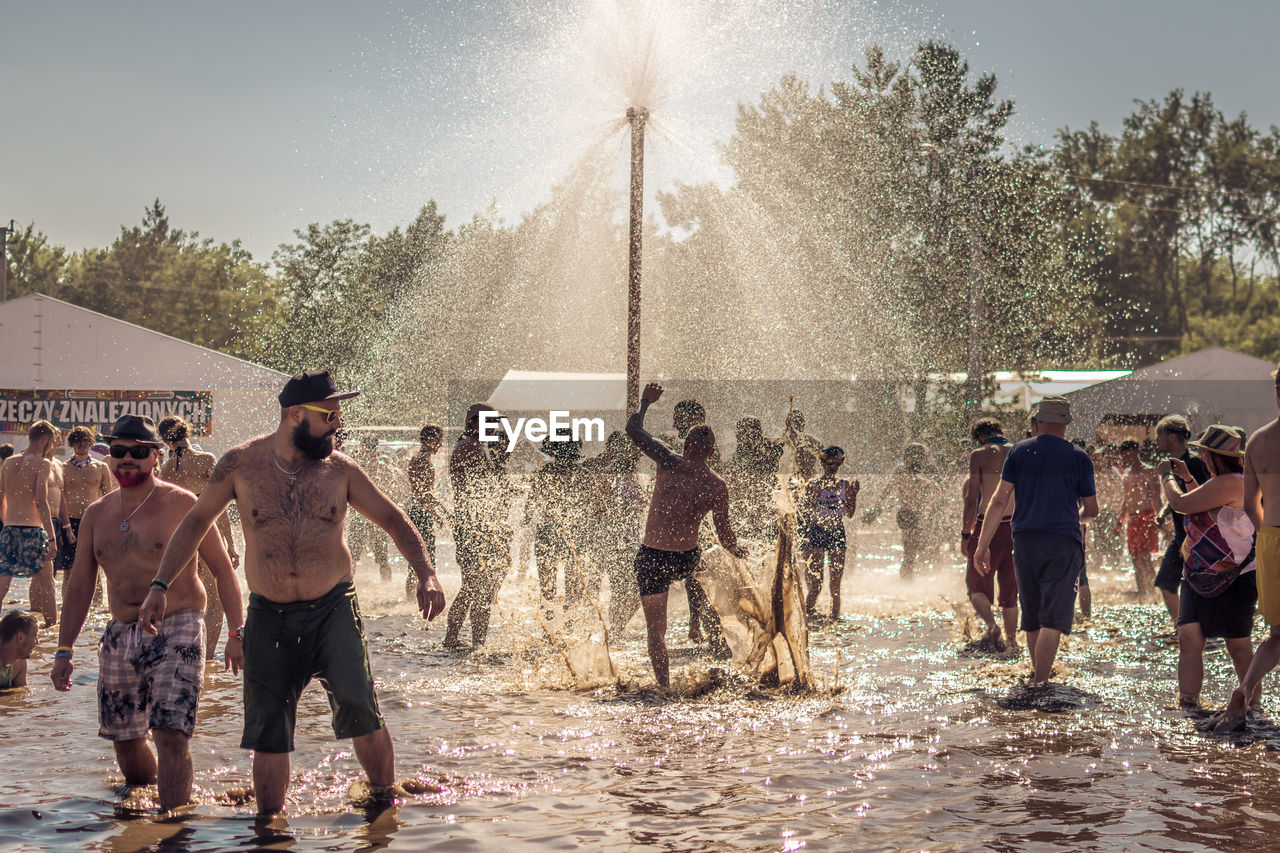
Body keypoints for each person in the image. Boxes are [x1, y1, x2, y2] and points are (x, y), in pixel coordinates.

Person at [144, 370, 446, 815]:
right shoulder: (239, 465)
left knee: (361, 706)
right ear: (296, 414)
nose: (337, 424)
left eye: (338, 415)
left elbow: (394, 519)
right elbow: (193, 524)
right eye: (330, 415)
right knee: (268, 729)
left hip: (333, 611)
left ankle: (383, 808)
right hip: (268, 615)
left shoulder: (340, 469)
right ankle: (269, 828)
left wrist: (426, 573)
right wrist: (160, 584)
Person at [51, 415, 246, 812]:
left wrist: (237, 632)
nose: (127, 460)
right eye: (119, 451)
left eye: (138, 453)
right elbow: (79, 587)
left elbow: (224, 570)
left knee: (170, 732)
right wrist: (63, 649)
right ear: (108, 456)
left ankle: (173, 829)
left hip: (178, 624)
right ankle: (153, 807)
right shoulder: (96, 515)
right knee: (124, 741)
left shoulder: (182, 504)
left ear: (155, 457)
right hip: (120, 631)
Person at [626, 383, 745, 688]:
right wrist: (740, 551)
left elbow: (634, 430)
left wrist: (645, 403)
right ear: (711, 450)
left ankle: (664, 686)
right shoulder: (717, 485)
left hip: (654, 555)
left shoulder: (669, 461)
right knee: (704, 596)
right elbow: (725, 535)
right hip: (688, 557)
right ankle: (718, 664)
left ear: (688, 445)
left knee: (657, 630)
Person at [974, 396, 1098, 684]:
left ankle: (1035, 673)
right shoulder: (1079, 457)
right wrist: (1072, 519)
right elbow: (1092, 511)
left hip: (1025, 543)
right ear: (1067, 423)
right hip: (1063, 544)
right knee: (1054, 617)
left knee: (1032, 616)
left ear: (1038, 421)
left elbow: (998, 501)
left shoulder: (1019, 452)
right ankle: (1041, 682)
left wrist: (982, 545)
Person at [1153, 425, 1256, 710]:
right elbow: (1204, 505)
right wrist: (1186, 478)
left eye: (1202, 451)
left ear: (1213, 455)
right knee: (1189, 639)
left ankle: (1252, 707)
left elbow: (1182, 505)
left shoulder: (1233, 481)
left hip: (1234, 576)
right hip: (1199, 574)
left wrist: (1167, 476)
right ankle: (1188, 704)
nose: (1198, 454)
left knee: (1237, 646)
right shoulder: (1220, 481)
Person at [1214, 368, 1280, 732]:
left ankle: (1244, 690)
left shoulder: (1257, 440)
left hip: (1271, 537)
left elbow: (1251, 503)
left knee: (1277, 635)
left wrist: (1267, 534)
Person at [157, 417, 241, 658]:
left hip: (180, 538)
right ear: (187, 433)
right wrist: (230, 543)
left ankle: (184, 650)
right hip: (207, 534)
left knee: (187, 598)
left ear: (165, 440)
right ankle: (207, 656)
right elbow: (220, 506)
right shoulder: (206, 460)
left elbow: (164, 510)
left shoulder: (165, 469)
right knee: (215, 603)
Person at [444, 404, 509, 649]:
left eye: (496, 422)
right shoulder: (471, 447)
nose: (495, 427)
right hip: (475, 526)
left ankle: (463, 641)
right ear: (474, 423)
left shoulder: (472, 446)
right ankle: (469, 642)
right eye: (490, 422)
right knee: (477, 588)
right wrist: (495, 524)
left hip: (473, 524)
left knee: (476, 587)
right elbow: (481, 493)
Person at [524, 437, 604, 609]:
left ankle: (548, 632)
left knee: (547, 589)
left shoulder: (543, 472)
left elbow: (528, 512)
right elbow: (600, 509)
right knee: (573, 588)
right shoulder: (583, 474)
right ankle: (568, 628)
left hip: (547, 533)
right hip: (574, 533)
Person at [961, 418, 1018, 649]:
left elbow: (971, 499)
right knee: (1010, 589)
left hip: (987, 526)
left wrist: (966, 534)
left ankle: (992, 625)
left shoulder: (979, 455)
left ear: (979, 436)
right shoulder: (1019, 451)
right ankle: (1012, 641)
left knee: (976, 584)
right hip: (1017, 527)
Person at [583, 432, 647, 634]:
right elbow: (595, 509)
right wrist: (627, 509)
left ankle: (615, 628)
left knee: (634, 590)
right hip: (613, 540)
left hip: (630, 539)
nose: (635, 455)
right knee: (623, 589)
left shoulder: (632, 474)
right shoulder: (609, 475)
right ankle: (614, 629)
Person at [1152, 415, 1212, 626]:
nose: (1156, 441)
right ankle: (1184, 628)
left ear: (1173, 437)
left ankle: (1198, 630)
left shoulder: (1194, 463)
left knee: (1197, 587)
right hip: (1181, 536)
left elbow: (1202, 498)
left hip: (1196, 538)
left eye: (1159, 435)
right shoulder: (1170, 464)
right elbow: (1177, 497)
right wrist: (1163, 512)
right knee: (1165, 583)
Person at [0, 421, 58, 624]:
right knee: (47, 586)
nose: (52, 447)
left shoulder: (8, 462)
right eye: (52, 443)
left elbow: (1, 499)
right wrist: (51, 538)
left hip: (8, 530)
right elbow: (41, 503)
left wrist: (8, 524)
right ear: (44, 440)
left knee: (2, 585)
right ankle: (53, 637)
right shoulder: (42, 463)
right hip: (33, 531)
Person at [800, 446, 858, 621]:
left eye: (836, 463)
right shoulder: (813, 484)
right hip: (816, 532)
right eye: (829, 463)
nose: (832, 467)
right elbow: (804, 513)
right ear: (823, 463)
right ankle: (806, 615)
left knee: (835, 586)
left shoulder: (845, 485)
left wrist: (853, 495)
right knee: (816, 586)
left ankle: (835, 618)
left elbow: (849, 513)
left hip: (836, 533)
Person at [864, 443, 935, 579]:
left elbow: (937, 492)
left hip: (922, 514)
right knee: (910, 547)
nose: (916, 459)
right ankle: (907, 576)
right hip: (906, 513)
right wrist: (877, 507)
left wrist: (931, 507)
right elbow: (887, 490)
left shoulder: (924, 473)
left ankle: (909, 572)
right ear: (906, 457)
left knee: (917, 547)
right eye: (913, 456)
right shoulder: (900, 471)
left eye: (919, 457)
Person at [60, 426, 116, 581]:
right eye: (77, 441)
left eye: (85, 440)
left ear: (90, 443)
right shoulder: (63, 468)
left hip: (93, 522)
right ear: (72, 443)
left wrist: (109, 524)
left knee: (94, 567)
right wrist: (65, 526)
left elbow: (108, 498)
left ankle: (97, 605)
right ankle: (67, 605)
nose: (81, 444)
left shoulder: (101, 467)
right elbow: (60, 499)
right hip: (70, 522)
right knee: (68, 569)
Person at [723, 417, 784, 543]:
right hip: (746, 521)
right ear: (738, 436)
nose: (749, 437)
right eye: (745, 433)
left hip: (765, 519)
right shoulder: (734, 463)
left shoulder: (770, 454)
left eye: (754, 433)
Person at [406, 424, 448, 599]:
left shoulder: (421, 459)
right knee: (423, 558)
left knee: (419, 557)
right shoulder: (421, 461)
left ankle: (411, 599)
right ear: (431, 440)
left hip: (419, 512)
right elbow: (422, 494)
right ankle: (414, 598)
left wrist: (442, 510)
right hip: (420, 513)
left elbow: (426, 493)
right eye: (439, 440)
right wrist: (438, 514)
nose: (439, 445)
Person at [1115, 439, 1161, 597]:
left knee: (1145, 557)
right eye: (1123, 455)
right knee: (1135, 557)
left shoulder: (1149, 471)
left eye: (1127, 454)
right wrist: (1119, 522)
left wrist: (1160, 518)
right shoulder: (1126, 474)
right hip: (1132, 520)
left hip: (1147, 516)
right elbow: (1125, 500)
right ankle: (1142, 592)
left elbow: (1156, 497)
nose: (1125, 458)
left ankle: (1154, 592)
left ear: (1135, 453)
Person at [0, 610, 39, 689]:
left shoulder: (19, 662)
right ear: (20, 637)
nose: (37, 642)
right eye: (35, 636)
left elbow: (21, 692)